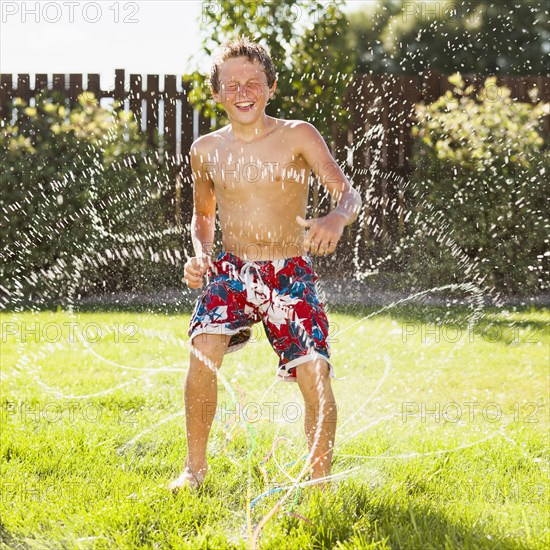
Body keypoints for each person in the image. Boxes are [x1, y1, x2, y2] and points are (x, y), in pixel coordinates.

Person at [169, 36, 362, 493]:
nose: (242, 90)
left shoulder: (298, 134)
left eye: (253, 81)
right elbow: (202, 216)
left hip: (288, 271)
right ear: (216, 92)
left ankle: (319, 481)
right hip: (233, 269)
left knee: (314, 369)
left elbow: (346, 192)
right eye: (231, 82)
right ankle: (194, 470)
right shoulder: (206, 150)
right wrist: (200, 254)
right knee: (203, 349)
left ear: (270, 87)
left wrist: (336, 216)